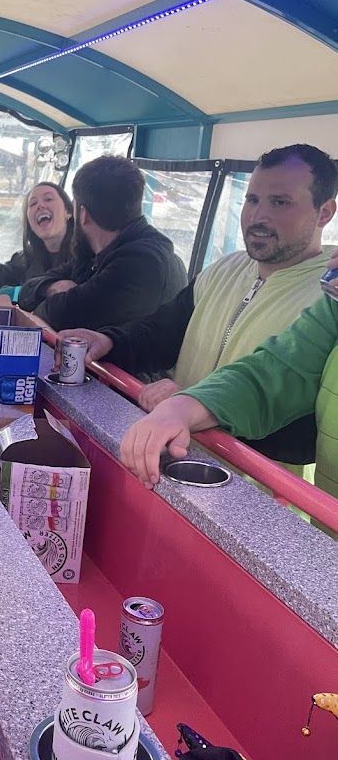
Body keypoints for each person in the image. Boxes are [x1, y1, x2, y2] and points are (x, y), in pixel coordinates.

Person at [56, 144, 338, 470]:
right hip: (174, 463)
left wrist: (196, 406)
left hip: (255, 495)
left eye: (280, 202)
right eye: (252, 200)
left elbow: (311, 427)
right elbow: (161, 331)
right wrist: (109, 341)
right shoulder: (225, 268)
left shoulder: (327, 296)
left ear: (325, 213)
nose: (259, 216)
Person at [119, 253, 338, 504]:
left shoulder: (317, 282)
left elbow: (301, 434)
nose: (259, 215)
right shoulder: (332, 297)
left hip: (267, 499)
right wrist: (183, 406)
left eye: (281, 209)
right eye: (249, 209)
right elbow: (278, 370)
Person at [19, 155, 187, 330]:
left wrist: (46, 298)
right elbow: (27, 289)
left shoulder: (141, 264)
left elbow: (58, 315)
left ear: (82, 214)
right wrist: (50, 288)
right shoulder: (89, 256)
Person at [0, 181, 75, 293]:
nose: (40, 206)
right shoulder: (25, 259)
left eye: (48, 199)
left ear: (68, 211)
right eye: (33, 203)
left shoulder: (85, 258)